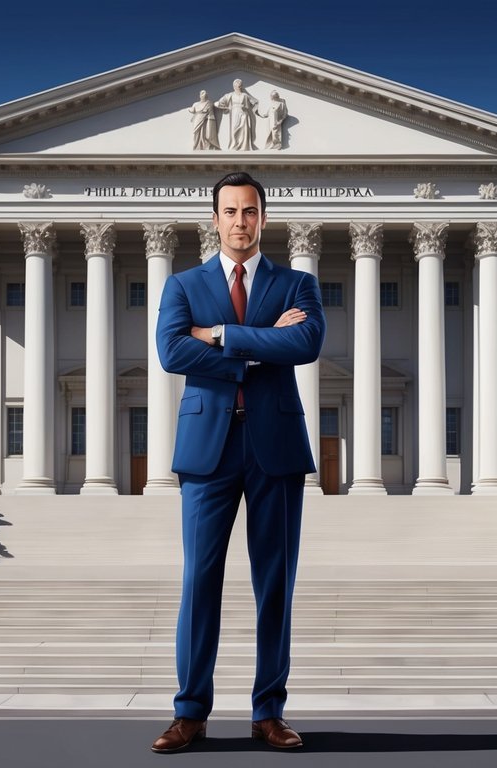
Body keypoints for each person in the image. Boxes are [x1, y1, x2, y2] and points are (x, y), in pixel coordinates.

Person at [151, 172, 324, 752]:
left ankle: (267, 712)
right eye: (230, 212)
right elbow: (172, 351)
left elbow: (305, 345)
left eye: (250, 212)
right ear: (215, 219)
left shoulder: (298, 283)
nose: (240, 222)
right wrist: (254, 345)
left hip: (274, 449)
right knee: (199, 582)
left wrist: (222, 335)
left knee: (274, 584)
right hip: (209, 452)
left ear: (264, 219)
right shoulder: (182, 284)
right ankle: (190, 713)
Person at [215, 79, 259, 150]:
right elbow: (218, 103)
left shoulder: (245, 95)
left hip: (244, 114)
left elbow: (255, 102)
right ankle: (235, 145)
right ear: (234, 87)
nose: (239, 88)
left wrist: (252, 110)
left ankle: (244, 146)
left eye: (240, 86)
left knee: (244, 130)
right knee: (234, 129)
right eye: (238, 86)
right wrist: (225, 107)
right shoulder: (230, 95)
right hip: (234, 113)